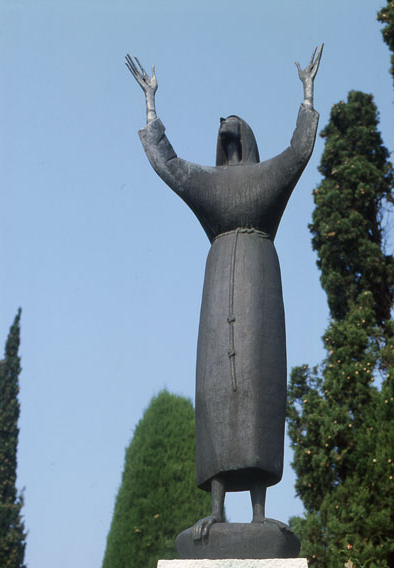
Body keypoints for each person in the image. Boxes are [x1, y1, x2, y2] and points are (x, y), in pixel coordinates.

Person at [127, 46, 322, 541]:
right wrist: (151, 106)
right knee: (215, 393)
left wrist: (306, 95)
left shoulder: (267, 177)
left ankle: (258, 513)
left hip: (259, 290)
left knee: (258, 387)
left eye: (233, 129)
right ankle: (215, 509)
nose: (226, 129)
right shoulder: (209, 184)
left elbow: (299, 153)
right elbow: (169, 165)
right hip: (217, 291)